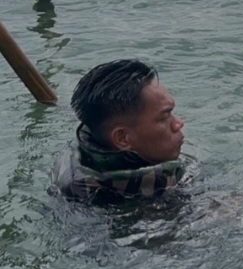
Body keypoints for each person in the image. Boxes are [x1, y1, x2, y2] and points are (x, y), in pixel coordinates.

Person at [49, 59, 192, 203]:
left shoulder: (93, 141)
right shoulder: (94, 199)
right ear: (122, 138)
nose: (179, 124)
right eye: (164, 117)